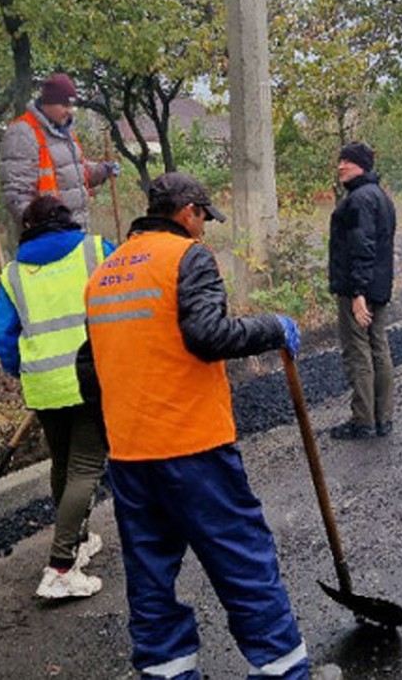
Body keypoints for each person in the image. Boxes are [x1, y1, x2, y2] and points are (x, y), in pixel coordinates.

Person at [85, 172, 308, 680]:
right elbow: (207, 334)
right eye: (204, 217)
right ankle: (281, 669)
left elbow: (87, 367)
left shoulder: (105, 273)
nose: (205, 228)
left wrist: (119, 432)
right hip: (193, 448)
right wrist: (274, 327)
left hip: (130, 456)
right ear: (188, 212)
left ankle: (167, 673)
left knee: (150, 574)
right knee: (242, 558)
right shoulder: (187, 257)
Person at [0, 194, 113, 599]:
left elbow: (3, 335)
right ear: (67, 221)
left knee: (63, 463)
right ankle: (61, 567)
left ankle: (77, 542)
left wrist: (20, 369)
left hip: (43, 385)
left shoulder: (13, 274)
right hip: (92, 378)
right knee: (85, 467)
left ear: (27, 228)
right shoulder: (96, 251)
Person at [327, 141, 397, 440]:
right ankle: (383, 419)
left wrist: (357, 294)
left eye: (348, 161)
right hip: (379, 285)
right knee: (378, 348)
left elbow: (362, 248)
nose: (341, 165)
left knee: (358, 351)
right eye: (340, 160)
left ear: (362, 166)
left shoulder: (358, 200)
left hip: (360, 289)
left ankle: (363, 421)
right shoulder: (381, 197)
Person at [0, 71, 120, 231]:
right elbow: (17, 195)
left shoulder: (66, 131)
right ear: (46, 103)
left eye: (71, 105)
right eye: (64, 105)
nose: (70, 111)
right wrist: (40, 230)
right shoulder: (23, 133)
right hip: (49, 238)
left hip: (76, 232)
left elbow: (72, 173)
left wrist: (102, 170)